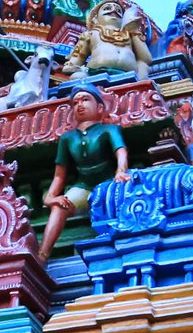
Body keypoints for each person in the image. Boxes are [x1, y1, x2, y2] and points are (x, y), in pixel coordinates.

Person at [38, 83, 130, 260]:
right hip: (84, 185)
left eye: (85, 100)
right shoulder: (67, 138)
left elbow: (121, 151)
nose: (79, 105)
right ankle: (42, 254)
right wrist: (51, 197)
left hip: (108, 183)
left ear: (100, 107)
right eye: (75, 102)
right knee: (60, 206)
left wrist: (121, 171)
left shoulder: (109, 130)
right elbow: (60, 174)